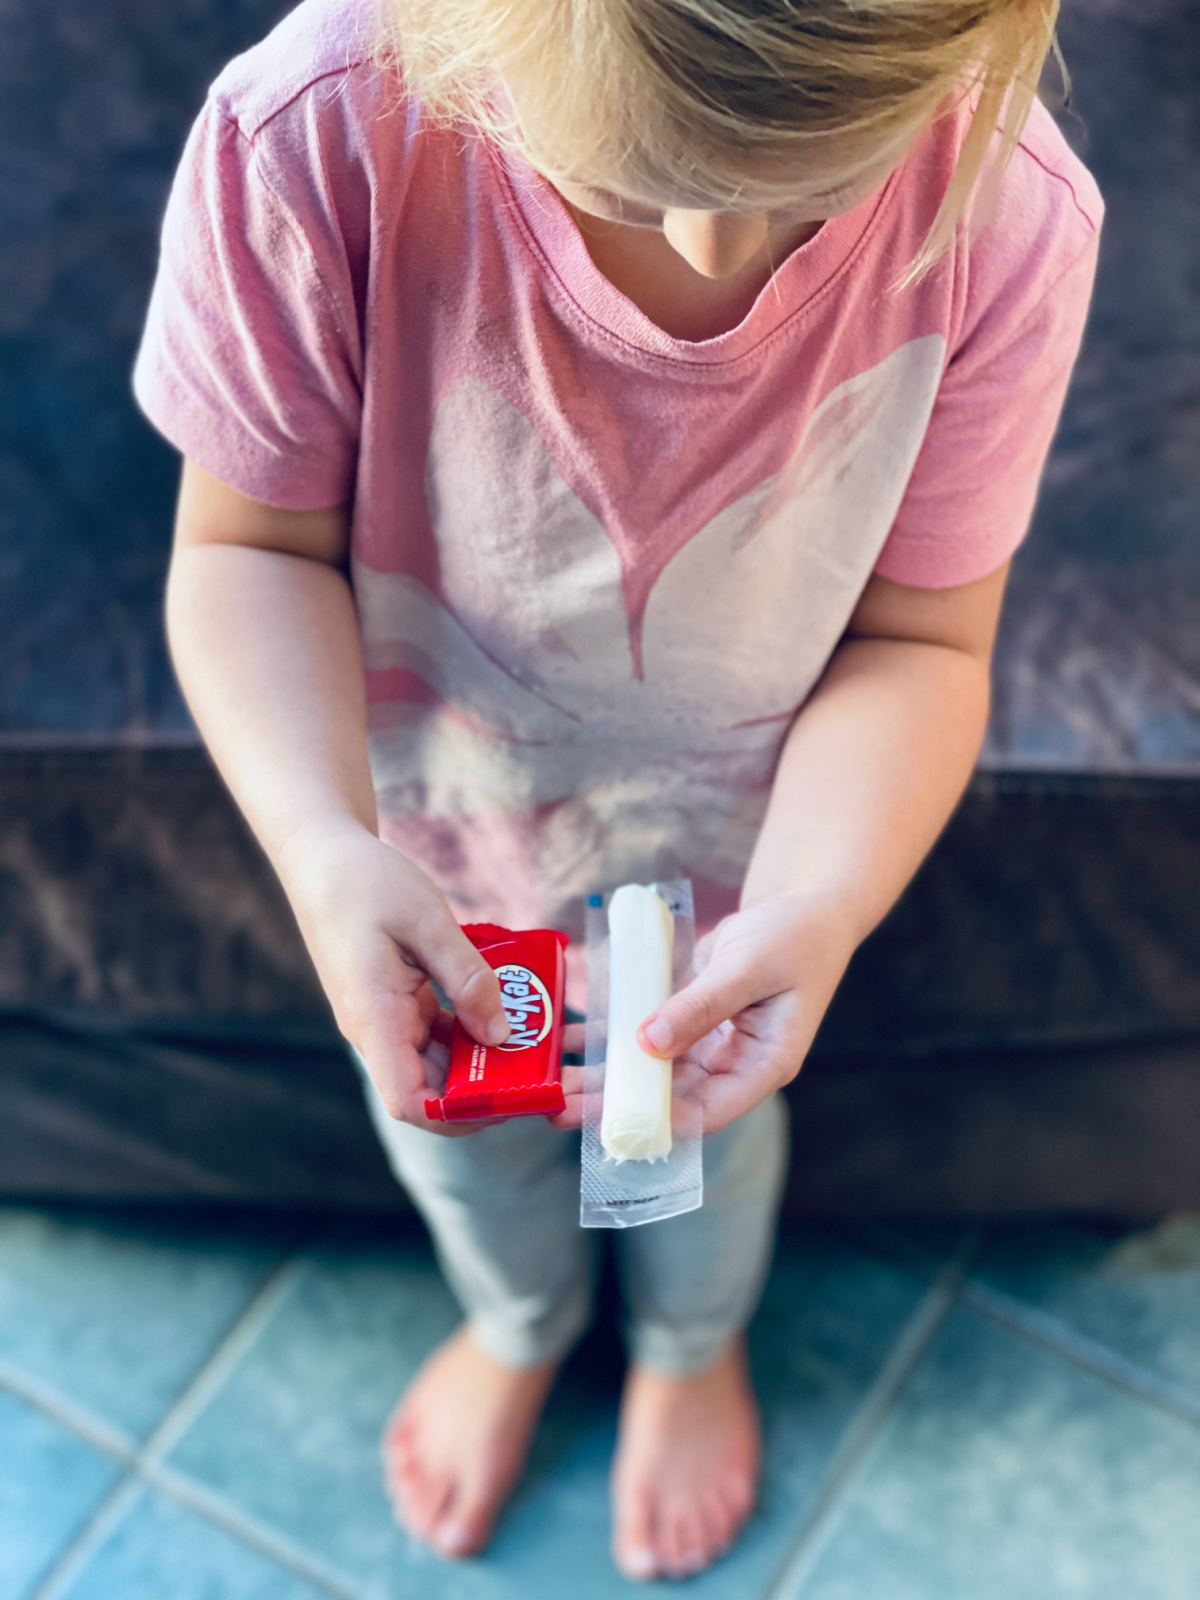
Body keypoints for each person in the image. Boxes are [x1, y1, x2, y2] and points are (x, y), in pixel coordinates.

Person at [134, 0, 1101, 1580]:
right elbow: (242, 549)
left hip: (739, 886)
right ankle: (519, 1324)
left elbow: (924, 641)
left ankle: (688, 1344)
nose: (718, 251)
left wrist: (817, 902)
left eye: (806, 198)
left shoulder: (1003, 214)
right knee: (466, 1163)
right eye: (628, 190)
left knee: (713, 1162)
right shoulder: (317, 130)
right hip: (434, 863)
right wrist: (320, 845)